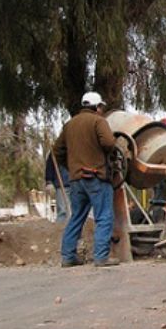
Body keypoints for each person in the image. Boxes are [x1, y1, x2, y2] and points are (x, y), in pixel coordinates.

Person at [52, 91, 118, 267]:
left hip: (76, 179)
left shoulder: (69, 125)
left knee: (77, 217)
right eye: (101, 107)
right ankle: (101, 257)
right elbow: (109, 143)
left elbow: (57, 150)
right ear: (97, 107)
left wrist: (71, 166)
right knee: (103, 216)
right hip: (96, 176)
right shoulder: (98, 121)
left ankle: (68, 256)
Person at [44, 151, 71, 223]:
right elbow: (50, 166)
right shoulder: (56, 150)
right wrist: (49, 181)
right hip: (61, 185)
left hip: (77, 184)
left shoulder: (77, 149)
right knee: (62, 211)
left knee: (78, 211)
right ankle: (60, 228)